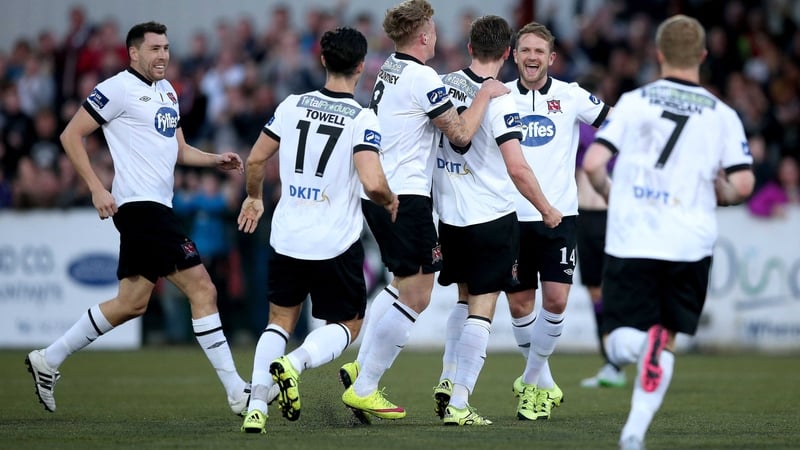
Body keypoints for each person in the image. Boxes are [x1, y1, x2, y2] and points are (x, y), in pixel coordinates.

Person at [25, 21, 250, 415]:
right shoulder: (116, 88)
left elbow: (178, 150)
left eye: (166, 48)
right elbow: (69, 135)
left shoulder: (167, 91)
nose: (163, 55)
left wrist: (214, 160)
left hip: (158, 206)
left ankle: (49, 358)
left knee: (131, 303)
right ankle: (236, 392)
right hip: (139, 208)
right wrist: (97, 187)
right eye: (155, 49)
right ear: (134, 53)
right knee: (203, 288)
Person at [582, 15, 754, 450]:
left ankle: (640, 351)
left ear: (658, 54)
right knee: (666, 339)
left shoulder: (635, 101)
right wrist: (721, 190)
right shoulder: (723, 115)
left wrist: (611, 191)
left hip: (633, 237)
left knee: (620, 341)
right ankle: (634, 434)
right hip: (689, 243)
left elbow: (593, 163)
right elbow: (743, 186)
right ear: (702, 56)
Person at [338, 0, 509, 423]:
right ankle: (366, 386)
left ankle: (362, 366)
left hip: (377, 186)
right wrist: (485, 92)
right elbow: (462, 135)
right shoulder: (422, 76)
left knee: (400, 284)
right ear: (424, 36)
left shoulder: (389, 67)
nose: (437, 34)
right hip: (405, 196)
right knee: (418, 293)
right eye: (433, 28)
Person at [237, 26, 398, 434]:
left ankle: (256, 408)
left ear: (322, 60)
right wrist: (390, 201)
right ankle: (294, 365)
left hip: (287, 235)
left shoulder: (291, 105)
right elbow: (373, 181)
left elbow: (255, 160)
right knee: (350, 325)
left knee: (279, 321)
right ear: (362, 66)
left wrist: (254, 198)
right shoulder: (362, 118)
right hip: (334, 241)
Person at [430, 14, 561, 426]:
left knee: (463, 298)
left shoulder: (445, 84)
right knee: (482, 311)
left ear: (470, 48)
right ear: (507, 53)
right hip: (489, 217)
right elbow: (517, 167)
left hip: (448, 216)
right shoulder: (501, 98)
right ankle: (460, 402)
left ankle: (447, 378)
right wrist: (546, 208)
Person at [502, 22, 611, 421]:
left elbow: (613, 124)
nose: (532, 57)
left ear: (552, 58)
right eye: (525, 50)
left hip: (559, 217)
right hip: (511, 216)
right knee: (519, 304)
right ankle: (541, 382)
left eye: (539, 51)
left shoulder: (570, 95)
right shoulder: (498, 97)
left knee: (557, 300)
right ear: (514, 55)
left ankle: (530, 381)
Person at [575, 122, 626, 389]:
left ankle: (622, 355)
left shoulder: (615, 138)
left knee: (614, 289)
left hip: (611, 218)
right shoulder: (577, 137)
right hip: (583, 219)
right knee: (595, 291)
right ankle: (610, 362)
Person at [747, 154, 800, 218]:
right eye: (786, 172)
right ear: (780, 173)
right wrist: (771, 210)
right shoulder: (772, 190)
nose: (789, 176)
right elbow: (754, 205)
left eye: (792, 172)